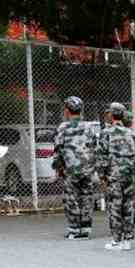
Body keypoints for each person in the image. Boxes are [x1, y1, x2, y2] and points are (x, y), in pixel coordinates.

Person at [97, 102, 135, 250]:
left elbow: (101, 156)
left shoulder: (106, 133)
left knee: (115, 206)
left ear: (111, 115)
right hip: (130, 175)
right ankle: (127, 240)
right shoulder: (132, 134)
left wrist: (102, 176)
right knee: (129, 206)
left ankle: (116, 239)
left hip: (114, 176)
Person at [52, 95, 97, 240]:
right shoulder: (89, 127)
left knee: (71, 199)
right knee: (87, 198)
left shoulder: (63, 127)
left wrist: (58, 168)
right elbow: (94, 147)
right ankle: (86, 228)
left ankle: (74, 229)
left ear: (67, 110)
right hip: (88, 169)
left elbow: (58, 149)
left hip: (70, 170)